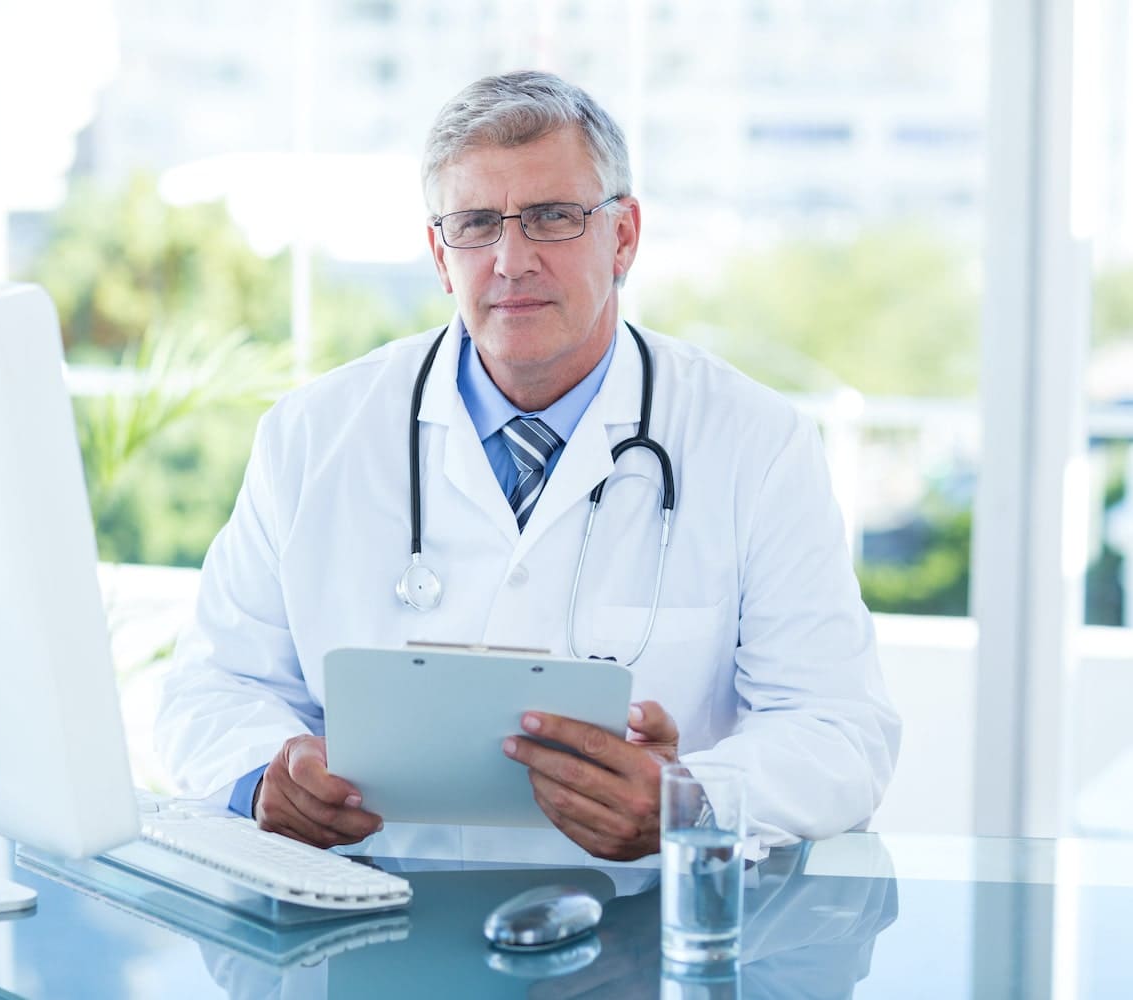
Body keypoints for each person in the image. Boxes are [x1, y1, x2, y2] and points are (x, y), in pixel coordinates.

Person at [152, 70, 900, 863]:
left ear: (623, 237)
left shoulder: (755, 443)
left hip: (640, 915)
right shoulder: (312, 436)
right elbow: (212, 686)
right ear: (440, 255)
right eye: (476, 224)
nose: (511, 261)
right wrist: (263, 780)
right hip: (367, 909)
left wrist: (690, 800)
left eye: (552, 218)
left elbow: (839, 727)